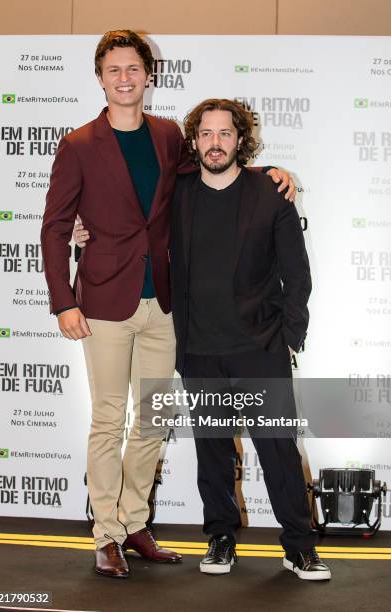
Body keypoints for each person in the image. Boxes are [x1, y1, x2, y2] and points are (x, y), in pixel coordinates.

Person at [41, 28, 296, 580]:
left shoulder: (167, 138)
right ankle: (105, 535)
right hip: (106, 303)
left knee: (153, 423)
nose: (125, 78)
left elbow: (216, 169)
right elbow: (56, 226)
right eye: (114, 70)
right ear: (101, 78)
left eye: (134, 69)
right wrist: (63, 300)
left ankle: (135, 522)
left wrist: (273, 175)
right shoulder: (79, 144)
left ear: (148, 76)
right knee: (109, 421)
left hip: (164, 310)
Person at [168, 99, 331, 580]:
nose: (214, 143)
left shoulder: (269, 193)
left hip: (259, 346)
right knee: (212, 448)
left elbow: (296, 274)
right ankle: (220, 538)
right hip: (197, 347)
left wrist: (289, 337)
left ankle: (299, 545)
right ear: (194, 141)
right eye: (205, 134)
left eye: (224, 133)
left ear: (241, 139)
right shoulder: (176, 192)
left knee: (278, 448)